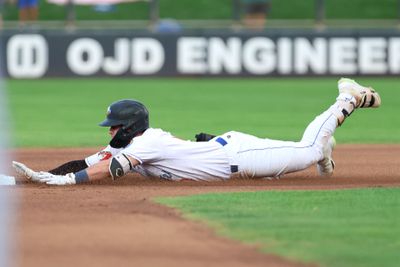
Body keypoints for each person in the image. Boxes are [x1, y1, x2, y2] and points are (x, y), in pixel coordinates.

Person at [13, 78, 381, 185]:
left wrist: (66, 183)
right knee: (306, 149)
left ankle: (346, 100)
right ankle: (326, 141)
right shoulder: (133, 141)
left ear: (130, 127)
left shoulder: (147, 141)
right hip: (226, 150)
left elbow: (108, 169)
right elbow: (86, 160)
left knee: (309, 151)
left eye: (114, 128)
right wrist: (43, 176)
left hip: (238, 158)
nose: (109, 134)